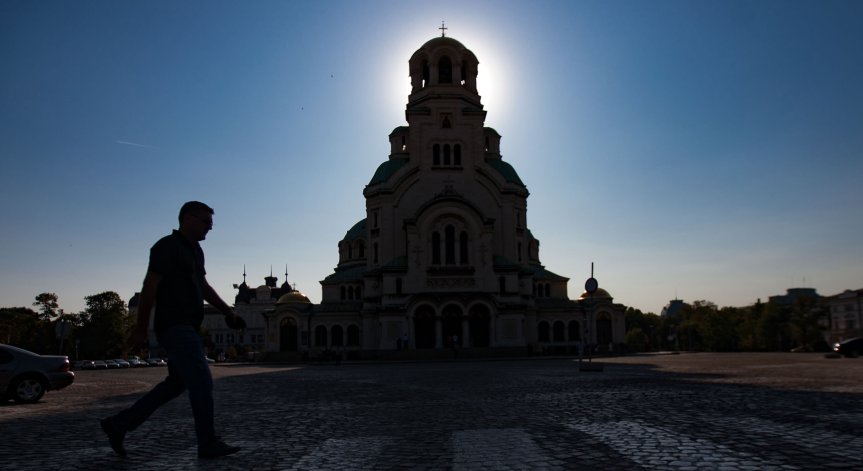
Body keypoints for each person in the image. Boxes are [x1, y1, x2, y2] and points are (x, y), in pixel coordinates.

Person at [100, 201, 245, 459]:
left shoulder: (196, 251)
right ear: (187, 218)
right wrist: (141, 328)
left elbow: (202, 285)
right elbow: (149, 287)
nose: (209, 229)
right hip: (174, 326)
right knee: (201, 381)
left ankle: (119, 424)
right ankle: (207, 442)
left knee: (176, 384)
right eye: (205, 222)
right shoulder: (166, 247)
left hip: (188, 326)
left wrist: (228, 312)